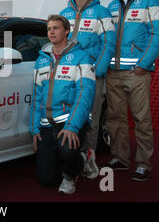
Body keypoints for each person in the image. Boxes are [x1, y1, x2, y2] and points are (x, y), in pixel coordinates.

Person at [105, 0, 159, 181]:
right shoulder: (112, 5)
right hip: (113, 71)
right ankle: (120, 158)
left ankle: (143, 163)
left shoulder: (151, 0)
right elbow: (106, 38)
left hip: (137, 72)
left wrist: (143, 64)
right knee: (114, 118)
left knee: (142, 118)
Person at [30, 15, 96, 194]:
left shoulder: (82, 57)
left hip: (68, 121)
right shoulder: (41, 59)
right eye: (49, 28)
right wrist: (35, 129)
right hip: (46, 124)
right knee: (47, 180)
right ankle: (76, 158)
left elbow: (85, 94)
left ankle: (73, 171)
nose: (51, 31)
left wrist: (72, 127)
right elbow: (37, 97)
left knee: (67, 150)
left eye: (56, 28)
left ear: (66, 31)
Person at [60, 0, 116, 179]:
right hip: (68, 75)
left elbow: (109, 43)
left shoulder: (101, 12)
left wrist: (97, 70)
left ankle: (88, 159)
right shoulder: (64, 13)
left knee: (91, 119)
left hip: (91, 75)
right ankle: (71, 160)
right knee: (70, 115)